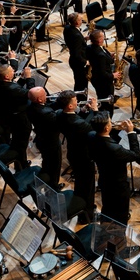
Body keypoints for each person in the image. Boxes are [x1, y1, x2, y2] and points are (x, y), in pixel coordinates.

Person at [55, 90, 102, 223]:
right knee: (88, 185)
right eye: (75, 101)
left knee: (81, 183)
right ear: (70, 106)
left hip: (73, 153)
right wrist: (95, 110)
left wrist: (82, 111)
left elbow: (78, 121)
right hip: (84, 156)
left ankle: (84, 207)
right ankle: (86, 215)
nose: (77, 101)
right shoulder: (78, 124)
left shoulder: (60, 114)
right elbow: (94, 127)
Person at [90, 112, 140, 224]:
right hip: (118, 187)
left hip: (104, 180)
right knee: (120, 218)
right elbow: (136, 155)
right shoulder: (115, 149)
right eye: (110, 122)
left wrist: (118, 130)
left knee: (107, 209)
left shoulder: (92, 136)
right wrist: (131, 132)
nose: (112, 123)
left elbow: (107, 138)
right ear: (107, 127)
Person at [0, 64, 34, 166]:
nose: (14, 71)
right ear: (6, 76)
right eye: (11, 71)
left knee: (17, 140)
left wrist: (22, 79)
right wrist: (29, 78)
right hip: (19, 118)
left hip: (8, 114)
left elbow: (15, 87)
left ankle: (19, 161)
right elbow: (31, 93)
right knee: (21, 143)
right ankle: (21, 165)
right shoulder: (13, 89)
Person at [26, 86, 62, 189]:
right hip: (51, 142)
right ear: (40, 99)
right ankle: (53, 186)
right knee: (55, 166)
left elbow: (47, 107)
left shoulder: (31, 105)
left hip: (41, 139)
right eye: (44, 94)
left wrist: (59, 101)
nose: (47, 95)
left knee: (47, 162)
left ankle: (47, 179)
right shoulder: (47, 114)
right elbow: (58, 124)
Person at [87, 29, 120, 107]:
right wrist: (113, 76)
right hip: (103, 83)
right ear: (99, 40)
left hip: (95, 78)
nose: (104, 38)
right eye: (103, 37)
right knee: (106, 102)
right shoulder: (100, 55)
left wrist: (108, 56)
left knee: (102, 98)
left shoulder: (89, 47)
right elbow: (102, 74)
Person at [63, 12, 89, 92]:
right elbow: (76, 54)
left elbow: (72, 41)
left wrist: (83, 39)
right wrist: (85, 62)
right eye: (81, 19)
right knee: (81, 85)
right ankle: (81, 102)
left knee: (78, 83)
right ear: (77, 22)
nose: (82, 21)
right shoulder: (76, 36)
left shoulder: (67, 28)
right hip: (78, 63)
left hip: (73, 61)